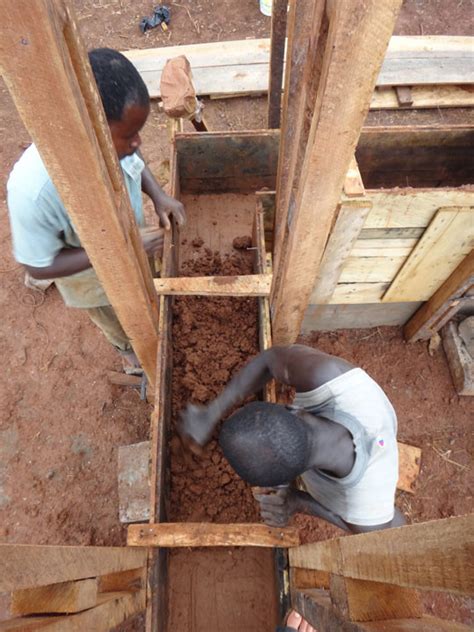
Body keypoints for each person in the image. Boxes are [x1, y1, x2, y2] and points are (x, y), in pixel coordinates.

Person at [7, 48, 185, 373]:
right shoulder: (34, 190)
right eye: (130, 135)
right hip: (94, 283)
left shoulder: (111, 142)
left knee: (147, 297)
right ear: (90, 129)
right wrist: (121, 247)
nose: (137, 143)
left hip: (132, 250)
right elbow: (38, 267)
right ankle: (133, 359)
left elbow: (132, 157)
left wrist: (158, 195)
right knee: (121, 325)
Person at [180, 344, 405, 533]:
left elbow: (357, 527)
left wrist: (299, 502)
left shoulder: (367, 505)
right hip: (366, 422)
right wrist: (211, 412)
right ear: (293, 409)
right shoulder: (322, 374)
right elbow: (269, 359)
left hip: (375, 466)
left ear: (293, 477)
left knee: (397, 531)